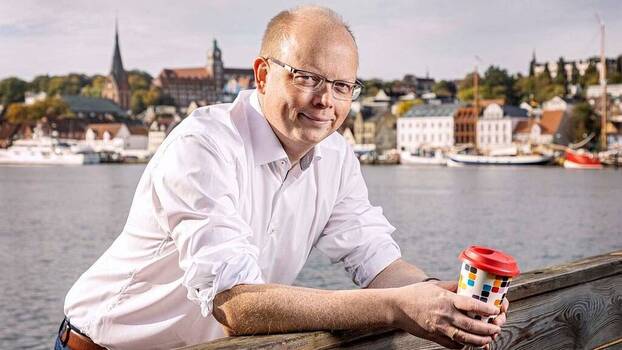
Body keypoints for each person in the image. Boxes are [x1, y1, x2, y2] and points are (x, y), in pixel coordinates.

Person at [57, 5, 508, 350]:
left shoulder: (335, 156)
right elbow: (235, 303)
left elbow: (377, 261)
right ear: (261, 75)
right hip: (103, 346)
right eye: (308, 78)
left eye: (342, 86)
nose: (324, 100)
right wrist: (398, 308)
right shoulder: (203, 146)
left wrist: (442, 298)